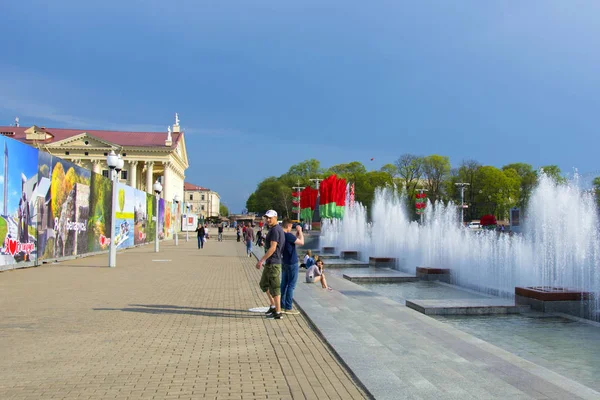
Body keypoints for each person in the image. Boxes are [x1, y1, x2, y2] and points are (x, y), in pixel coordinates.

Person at [256, 210, 286, 320]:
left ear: (275, 217)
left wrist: (261, 260)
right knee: (264, 284)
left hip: (273, 263)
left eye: (270, 218)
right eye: (266, 218)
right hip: (271, 263)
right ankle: (273, 306)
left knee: (275, 288)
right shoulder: (274, 229)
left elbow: (273, 248)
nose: (268, 220)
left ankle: (278, 312)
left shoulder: (275, 230)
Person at [280, 219, 304, 314]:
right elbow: (301, 242)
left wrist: (298, 233)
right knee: (291, 285)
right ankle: (289, 307)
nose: (291, 228)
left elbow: (294, 241)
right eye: (291, 226)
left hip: (284, 261)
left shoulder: (281, 235)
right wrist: (301, 231)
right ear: (288, 226)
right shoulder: (288, 235)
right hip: (292, 262)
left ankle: (282, 305)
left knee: (284, 284)